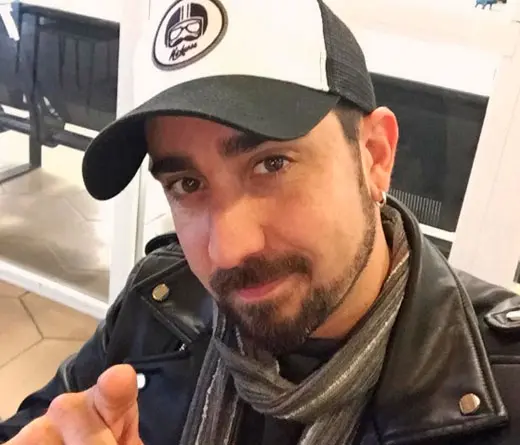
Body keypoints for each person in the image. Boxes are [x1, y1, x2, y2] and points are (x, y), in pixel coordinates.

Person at [1, 0, 520, 444]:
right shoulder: (158, 302)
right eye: (187, 183)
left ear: (374, 156)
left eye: (272, 164)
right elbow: (47, 422)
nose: (228, 250)